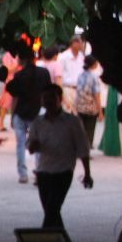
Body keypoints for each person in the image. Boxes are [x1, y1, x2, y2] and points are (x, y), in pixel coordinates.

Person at [27, 89, 93, 229]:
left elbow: (83, 148)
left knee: (52, 209)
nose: (48, 101)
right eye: (45, 98)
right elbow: (30, 145)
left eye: (51, 98)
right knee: (51, 211)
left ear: (60, 99)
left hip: (63, 172)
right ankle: (59, 238)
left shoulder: (72, 122)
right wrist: (33, 146)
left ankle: (43, 237)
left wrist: (87, 173)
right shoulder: (37, 122)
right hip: (43, 172)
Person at [5, 44, 54, 184]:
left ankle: (23, 174)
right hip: (38, 112)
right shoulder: (44, 73)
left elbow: (15, 97)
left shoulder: (19, 76)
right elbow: (48, 93)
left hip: (21, 112)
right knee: (38, 143)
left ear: (21, 59)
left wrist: (12, 115)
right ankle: (39, 171)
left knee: (20, 144)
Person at [73, 55, 105, 147]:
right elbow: (97, 95)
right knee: (90, 129)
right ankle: (87, 147)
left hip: (80, 106)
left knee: (81, 128)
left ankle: (80, 145)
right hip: (91, 107)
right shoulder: (94, 77)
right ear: (94, 64)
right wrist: (100, 111)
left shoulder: (80, 75)